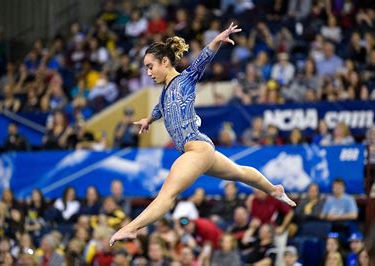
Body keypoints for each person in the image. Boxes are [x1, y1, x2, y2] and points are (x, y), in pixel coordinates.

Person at [110, 23, 295, 246]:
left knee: (167, 196)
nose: (148, 73)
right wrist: (149, 119)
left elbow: (202, 60)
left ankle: (131, 228)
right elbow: (161, 107)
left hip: (195, 148)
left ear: (165, 61)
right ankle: (273, 189)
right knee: (239, 173)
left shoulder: (185, 79)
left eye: (150, 67)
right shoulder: (166, 90)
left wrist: (217, 40)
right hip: (202, 149)